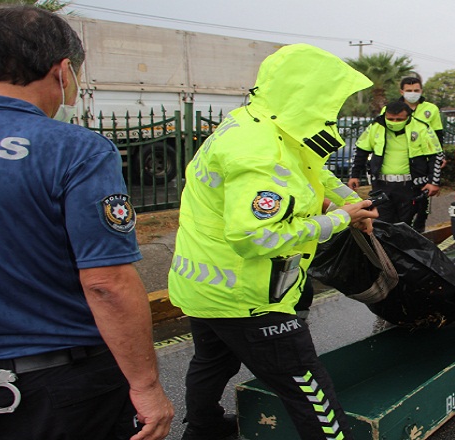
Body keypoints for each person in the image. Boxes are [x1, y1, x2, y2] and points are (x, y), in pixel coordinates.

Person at [0, 6, 173, 440]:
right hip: (56, 389)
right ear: (64, 71)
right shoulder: (75, 150)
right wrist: (146, 387)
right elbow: (106, 282)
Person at [168, 44, 378, 440]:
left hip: (205, 286)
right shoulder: (260, 148)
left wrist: (353, 202)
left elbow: (309, 167)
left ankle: (203, 430)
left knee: (212, 362)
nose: (332, 110)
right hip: (248, 296)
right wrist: (339, 219)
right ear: (305, 94)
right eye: (329, 99)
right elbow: (256, 236)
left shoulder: (257, 121)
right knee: (308, 387)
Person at [348, 100, 443, 225]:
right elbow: (361, 151)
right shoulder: (376, 127)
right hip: (382, 185)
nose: (394, 123)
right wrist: (354, 175)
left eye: (399, 119)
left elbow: (435, 156)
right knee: (382, 224)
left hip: (410, 186)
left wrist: (433, 182)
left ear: (408, 117)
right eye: (391, 119)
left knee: (407, 226)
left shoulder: (421, 128)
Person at [395, 76, 445, 232]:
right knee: (401, 203)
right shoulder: (391, 109)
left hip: (424, 161)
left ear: (421, 91)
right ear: (402, 91)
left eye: (416, 90)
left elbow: (438, 134)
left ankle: (419, 231)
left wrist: (440, 155)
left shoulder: (431, 109)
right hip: (400, 161)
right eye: (409, 91)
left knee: (422, 202)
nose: (412, 93)